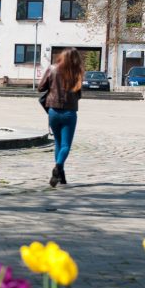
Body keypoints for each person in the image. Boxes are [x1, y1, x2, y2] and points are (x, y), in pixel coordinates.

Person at [37, 48, 84, 187]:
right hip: (69, 112)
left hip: (53, 111)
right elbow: (79, 94)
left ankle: (61, 176)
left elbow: (40, 88)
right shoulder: (77, 73)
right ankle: (58, 168)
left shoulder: (52, 69)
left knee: (57, 142)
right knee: (65, 145)